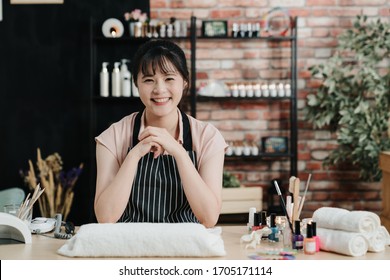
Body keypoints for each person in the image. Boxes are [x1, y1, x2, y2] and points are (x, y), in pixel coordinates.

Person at [94, 39, 228, 228]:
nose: (159, 89)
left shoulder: (208, 137)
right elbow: (105, 217)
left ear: (184, 82)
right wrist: (134, 155)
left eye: (169, 78)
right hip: (128, 248)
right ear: (136, 84)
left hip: (187, 250)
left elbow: (209, 218)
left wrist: (178, 152)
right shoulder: (113, 137)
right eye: (149, 80)